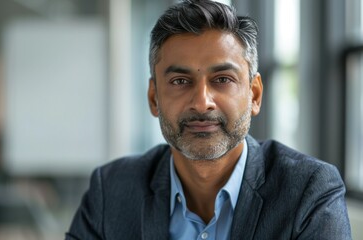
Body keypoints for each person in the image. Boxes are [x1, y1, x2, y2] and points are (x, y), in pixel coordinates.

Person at [65, 0, 352, 239]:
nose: (202, 102)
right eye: (180, 80)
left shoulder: (309, 192)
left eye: (223, 79)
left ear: (254, 95)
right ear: (154, 98)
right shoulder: (111, 191)